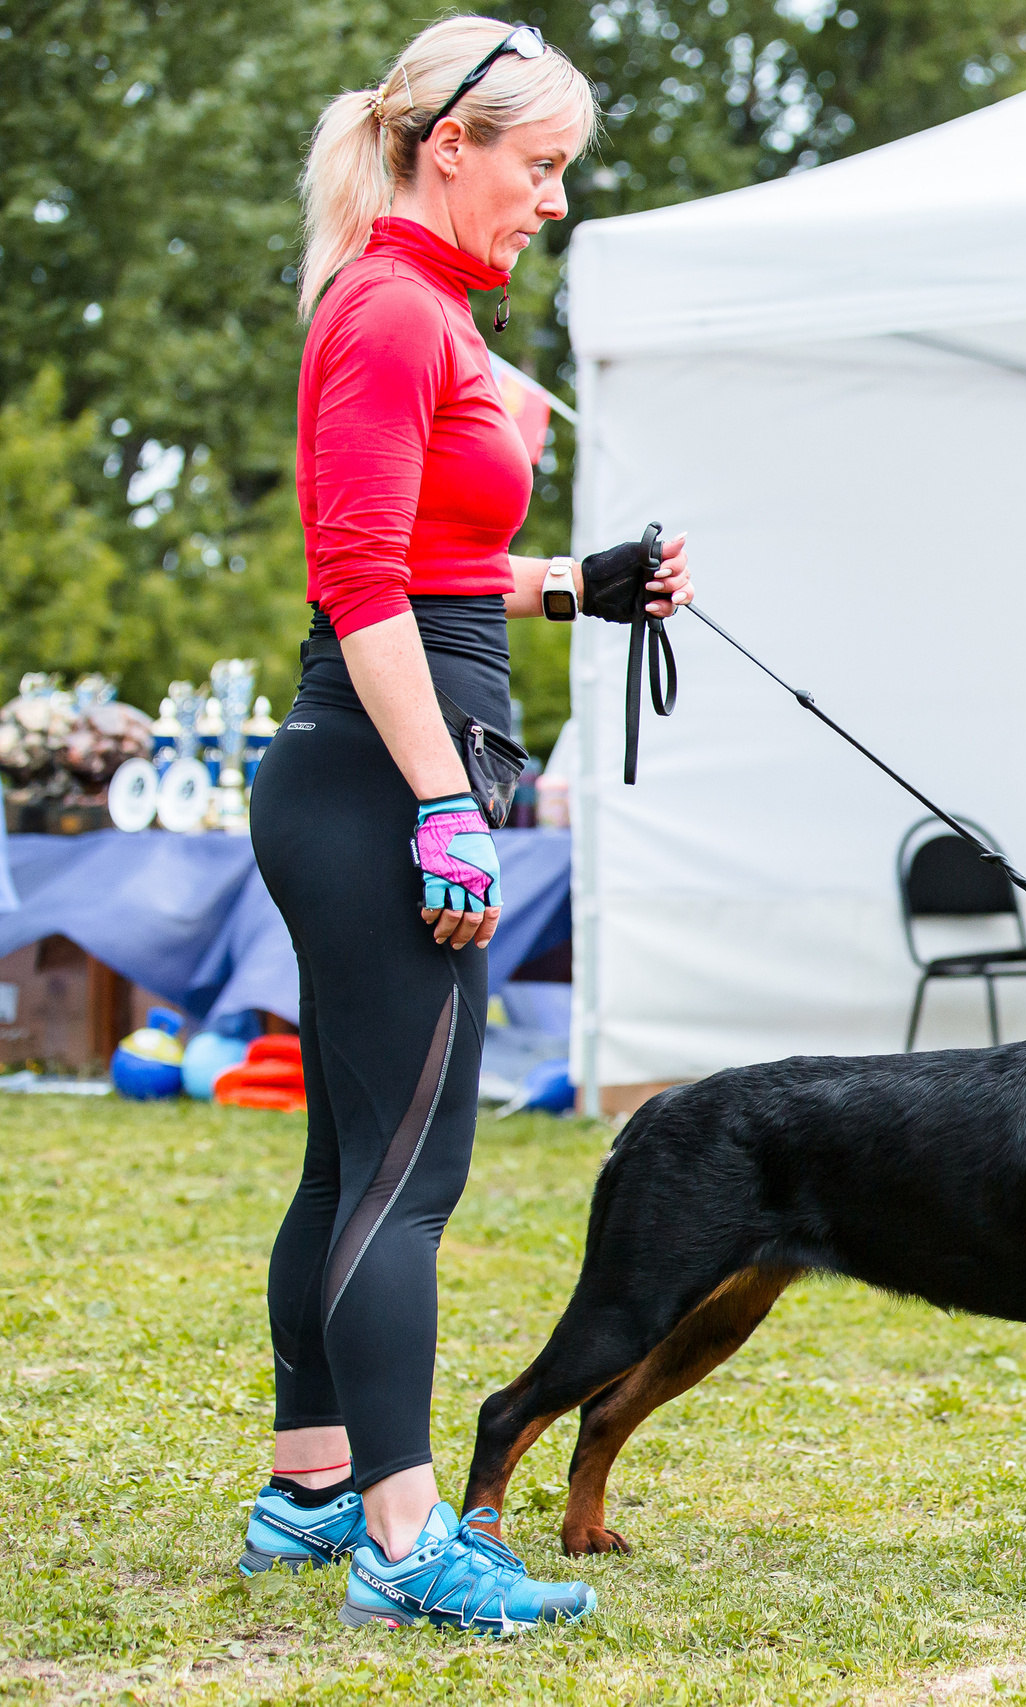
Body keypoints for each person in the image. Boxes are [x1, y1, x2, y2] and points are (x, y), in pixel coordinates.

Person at [238, 17, 693, 1633]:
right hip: (378, 766)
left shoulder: (417, 308)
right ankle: (406, 1538)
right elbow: (360, 589)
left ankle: (309, 1488)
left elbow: (433, 563)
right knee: (409, 1177)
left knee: (353, 1153)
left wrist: (584, 585)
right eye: (540, 163)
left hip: (381, 754)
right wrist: (447, 799)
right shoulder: (385, 307)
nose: (552, 200)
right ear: (453, 145)